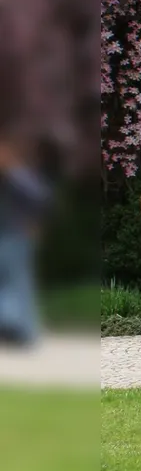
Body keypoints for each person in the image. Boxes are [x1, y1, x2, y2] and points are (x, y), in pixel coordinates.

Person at [0, 140, 46, 344]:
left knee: (18, 282)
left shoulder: (18, 175)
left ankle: (24, 331)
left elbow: (39, 197)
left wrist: (33, 223)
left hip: (15, 235)